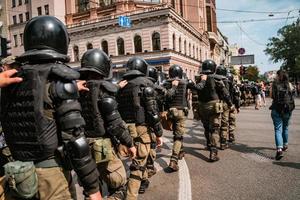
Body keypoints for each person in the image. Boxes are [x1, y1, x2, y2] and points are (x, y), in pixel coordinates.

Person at [0, 16, 101, 200]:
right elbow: (76, 142)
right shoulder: (59, 81)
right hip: (51, 178)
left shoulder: (9, 81)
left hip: (17, 176)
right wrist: (93, 188)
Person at [78, 49, 136, 199]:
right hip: (102, 147)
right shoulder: (103, 89)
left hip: (82, 146)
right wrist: (129, 143)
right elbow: (114, 123)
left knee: (92, 190)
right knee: (120, 186)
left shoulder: (76, 89)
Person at [117, 57, 163, 200]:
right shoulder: (146, 83)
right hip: (142, 127)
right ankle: (131, 196)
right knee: (138, 164)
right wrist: (158, 133)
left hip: (125, 128)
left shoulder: (122, 85)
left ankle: (143, 181)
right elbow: (152, 112)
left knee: (136, 158)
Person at [192, 60, 233, 162]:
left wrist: (195, 109)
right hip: (214, 106)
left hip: (202, 106)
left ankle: (209, 145)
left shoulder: (198, 79)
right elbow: (225, 94)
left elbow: (195, 94)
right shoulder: (219, 79)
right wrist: (230, 104)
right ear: (214, 68)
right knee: (214, 129)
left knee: (206, 128)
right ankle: (213, 152)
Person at [163, 65, 194, 171]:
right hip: (180, 112)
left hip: (171, 112)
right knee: (178, 136)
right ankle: (173, 160)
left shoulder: (166, 83)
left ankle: (180, 151)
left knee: (176, 133)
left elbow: (165, 98)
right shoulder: (185, 82)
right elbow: (195, 87)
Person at [270, 70, 295, 160]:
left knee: (278, 129)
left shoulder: (274, 84)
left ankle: (279, 149)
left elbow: (272, 96)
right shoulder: (289, 84)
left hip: (277, 109)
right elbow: (293, 95)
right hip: (288, 109)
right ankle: (285, 144)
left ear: (278, 75)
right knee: (286, 127)